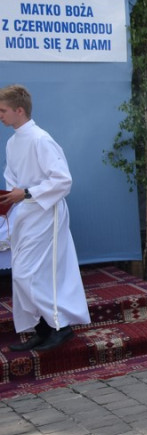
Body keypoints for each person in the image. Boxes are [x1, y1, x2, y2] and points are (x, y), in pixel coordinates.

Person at [0, 85, 91, 352]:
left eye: (3, 111)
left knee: (36, 274)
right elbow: (12, 181)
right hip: (24, 214)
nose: (0, 116)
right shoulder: (13, 141)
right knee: (22, 274)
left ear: (19, 110)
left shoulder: (41, 139)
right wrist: (8, 201)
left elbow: (63, 180)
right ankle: (42, 328)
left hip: (45, 212)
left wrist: (26, 193)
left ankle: (61, 328)